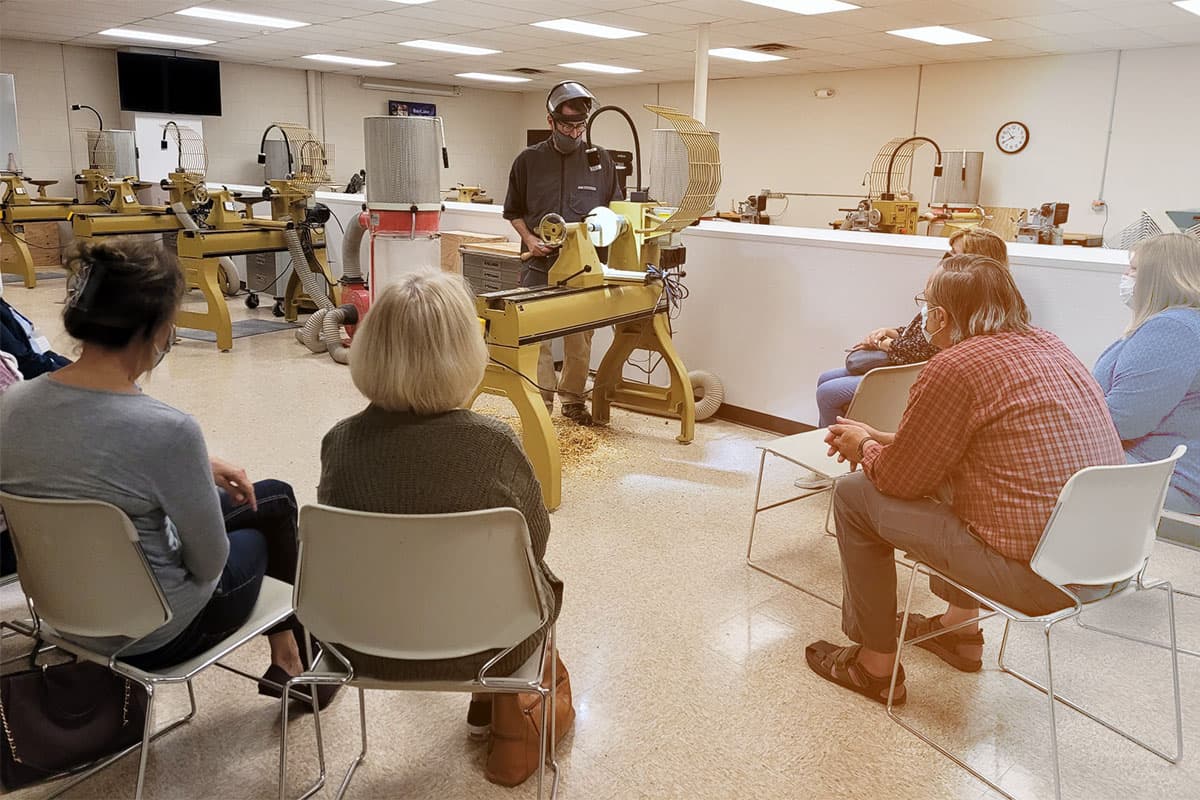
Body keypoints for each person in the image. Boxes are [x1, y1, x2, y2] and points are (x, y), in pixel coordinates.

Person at [0, 238, 327, 706]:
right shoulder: (167, 431)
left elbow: (78, 462)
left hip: (61, 614)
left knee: (259, 495)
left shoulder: (13, 406)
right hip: (160, 632)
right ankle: (295, 661)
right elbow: (209, 564)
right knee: (272, 506)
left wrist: (193, 471)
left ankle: (291, 654)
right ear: (155, 328)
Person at [807, 254, 1123, 704]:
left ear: (940, 316)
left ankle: (874, 667)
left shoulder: (954, 365)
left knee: (854, 494)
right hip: (1107, 561)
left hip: (1040, 578)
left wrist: (864, 448)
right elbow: (986, 445)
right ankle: (961, 631)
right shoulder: (1051, 345)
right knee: (957, 480)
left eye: (925, 304)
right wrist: (886, 439)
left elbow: (900, 481)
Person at [318, 270, 562, 740]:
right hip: (488, 648)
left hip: (361, 647)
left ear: (371, 347)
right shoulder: (494, 444)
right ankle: (495, 710)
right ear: (466, 352)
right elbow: (535, 544)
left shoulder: (341, 443)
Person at [800, 228, 1009, 490]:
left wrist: (885, 344)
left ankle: (833, 464)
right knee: (826, 378)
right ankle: (839, 453)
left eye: (953, 254)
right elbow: (924, 329)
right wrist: (892, 332)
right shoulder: (958, 299)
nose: (945, 259)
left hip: (908, 373)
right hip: (902, 364)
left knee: (829, 393)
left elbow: (927, 348)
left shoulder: (963, 330)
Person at [503, 80, 624, 425]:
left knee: (580, 336)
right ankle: (541, 403)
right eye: (567, 125)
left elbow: (612, 211)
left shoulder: (600, 160)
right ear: (550, 121)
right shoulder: (528, 161)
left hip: (584, 267)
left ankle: (572, 400)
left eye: (579, 126)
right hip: (539, 264)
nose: (573, 133)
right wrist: (529, 240)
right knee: (537, 337)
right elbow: (513, 211)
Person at [1093, 232, 1200, 530]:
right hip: (1165, 470)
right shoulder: (1181, 324)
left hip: (1162, 476)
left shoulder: (1172, 330)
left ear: (1160, 278)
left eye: (1134, 269)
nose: (1126, 276)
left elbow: (1123, 422)